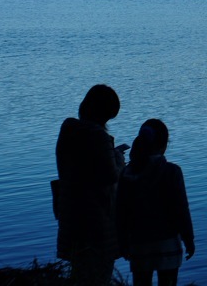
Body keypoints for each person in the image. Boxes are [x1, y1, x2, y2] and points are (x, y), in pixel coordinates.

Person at [55, 84, 128, 285]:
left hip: (71, 214)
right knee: (98, 275)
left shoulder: (68, 132)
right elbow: (110, 176)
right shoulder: (98, 137)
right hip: (96, 221)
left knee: (79, 273)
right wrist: (119, 160)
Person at [116, 119, 195, 286]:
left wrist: (122, 241)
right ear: (164, 145)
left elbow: (120, 212)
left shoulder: (126, 174)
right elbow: (182, 209)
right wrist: (189, 239)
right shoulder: (172, 172)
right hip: (167, 245)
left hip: (138, 245)